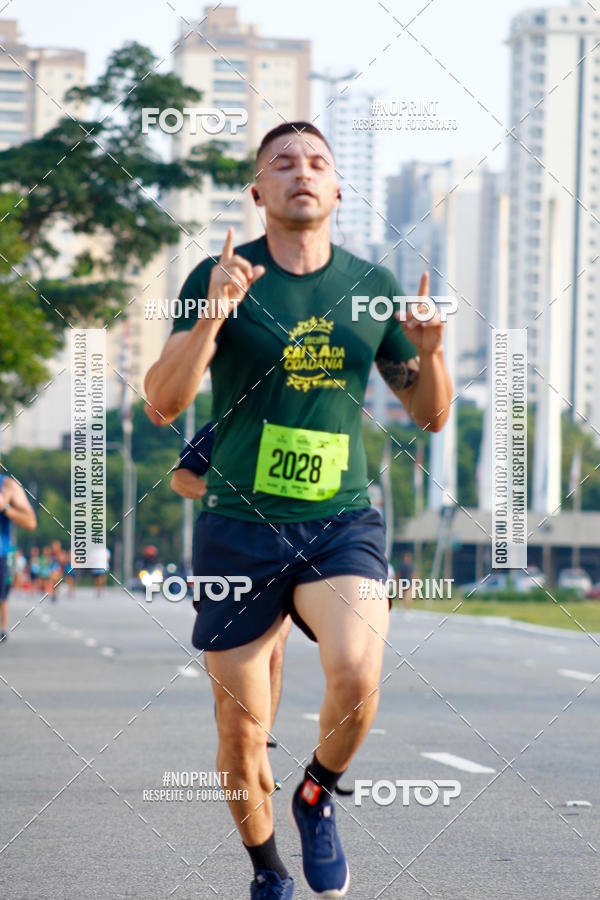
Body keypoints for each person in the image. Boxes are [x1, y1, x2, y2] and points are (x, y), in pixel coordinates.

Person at [144, 121, 452, 899]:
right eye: (282, 163)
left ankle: (317, 791)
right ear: (259, 193)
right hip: (237, 530)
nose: (301, 173)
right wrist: (213, 313)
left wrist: (434, 355)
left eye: (317, 162)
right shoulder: (219, 276)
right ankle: (267, 870)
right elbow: (162, 402)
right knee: (241, 728)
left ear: (339, 188)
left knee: (356, 671)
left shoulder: (370, 284)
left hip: (339, 520)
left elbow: (430, 415)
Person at [170, 421, 293, 788]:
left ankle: (261, 749)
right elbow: (181, 478)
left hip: (284, 545)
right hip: (226, 551)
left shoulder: (302, 419)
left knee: (274, 654)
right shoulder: (227, 421)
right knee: (229, 662)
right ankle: (235, 739)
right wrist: (220, 489)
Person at [0, 465, 37, 642]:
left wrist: (6, 508)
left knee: (1, 599)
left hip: (1, 553)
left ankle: (1, 628)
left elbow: (30, 522)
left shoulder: (8, 486)